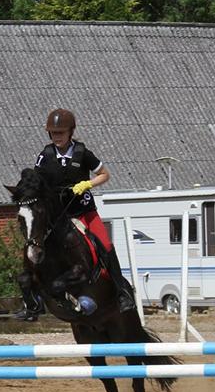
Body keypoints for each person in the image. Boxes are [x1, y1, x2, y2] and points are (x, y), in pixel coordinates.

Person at [14, 108, 138, 320]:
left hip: (83, 211)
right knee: (34, 246)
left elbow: (104, 175)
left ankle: (122, 293)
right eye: (54, 133)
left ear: (70, 132)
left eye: (61, 133)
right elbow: (36, 182)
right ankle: (32, 301)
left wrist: (88, 183)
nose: (57, 137)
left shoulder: (83, 153)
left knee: (106, 246)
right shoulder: (45, 156)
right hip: (58, 214)